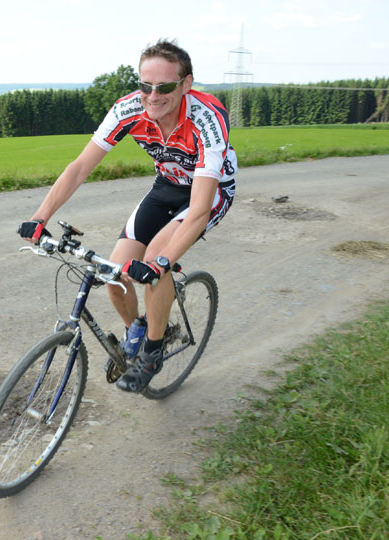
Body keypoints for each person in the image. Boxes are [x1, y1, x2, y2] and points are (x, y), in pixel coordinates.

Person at [19, 39, 237, 393]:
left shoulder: (206, 118)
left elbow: (199, 209)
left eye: (164, 87)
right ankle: (139, 327)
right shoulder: (128, 110)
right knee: (115, 274)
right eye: (145, 85)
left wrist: (162, 262)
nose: (153, 96)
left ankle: (153, 351)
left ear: (186, 84)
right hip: (167, 185)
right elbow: (80, 168)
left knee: (155, 263)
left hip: (208, 191)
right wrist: (40, 217)